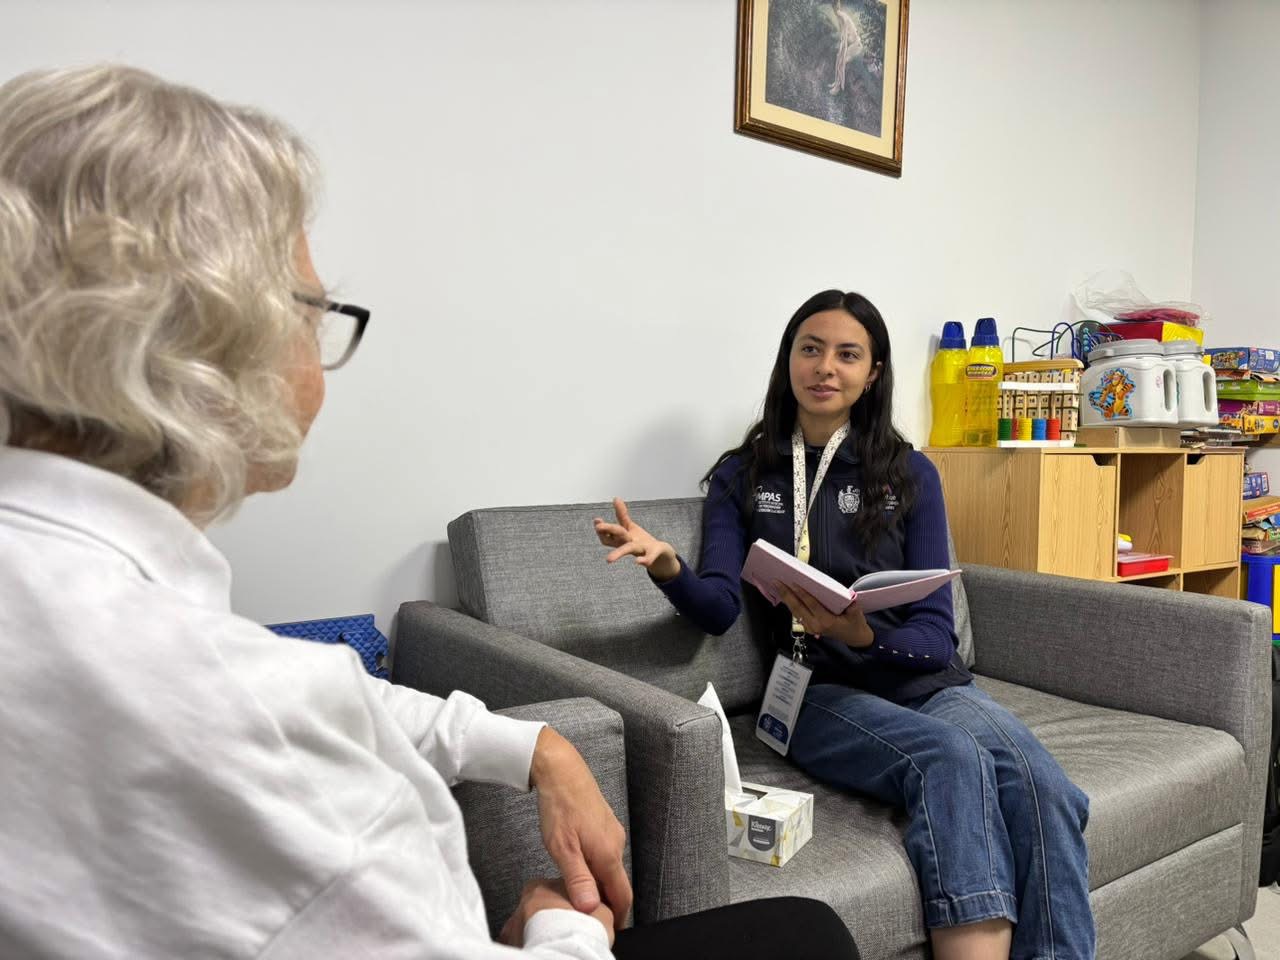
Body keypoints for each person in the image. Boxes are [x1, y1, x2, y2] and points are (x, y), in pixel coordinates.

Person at [0, 65, 859, 960]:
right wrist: (555, 921)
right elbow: (283, 710)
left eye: (846, 355)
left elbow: (331, 699)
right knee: (808, 937)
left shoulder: (100, 615)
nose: (322, 353)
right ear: (206, 337)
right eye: (315, 312)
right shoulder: (253, 725)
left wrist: (537, 747)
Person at [594, 290, 1096, 960]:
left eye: (847, 354)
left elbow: (935, 639)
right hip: (816, 693)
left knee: (1045, 788)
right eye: (811, 349)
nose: (825, 367)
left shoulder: (911, 473)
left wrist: (865, 635)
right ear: (789, 360)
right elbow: (716, 608)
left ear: (873, 372)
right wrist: (667, 568)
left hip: (927, 684)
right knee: (951, 757)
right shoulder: (743, 475)